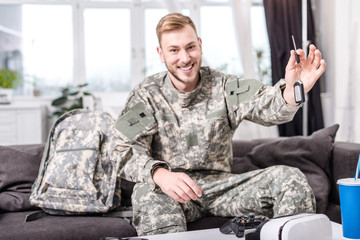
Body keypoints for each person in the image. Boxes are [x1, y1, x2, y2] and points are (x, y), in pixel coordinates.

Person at [110, 12, 326, 236]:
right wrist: (160, 175)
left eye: (190, 47)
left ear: (200, 45)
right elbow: (120, 148)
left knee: (290, 178)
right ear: (161, 54)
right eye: (174, 50)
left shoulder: (226, 86)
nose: (184, 58)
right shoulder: (147, 94)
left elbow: (269, 106)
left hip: (223, 188)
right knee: (146, 192)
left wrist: (294, 89)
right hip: (171, 191)